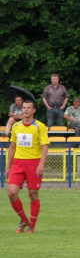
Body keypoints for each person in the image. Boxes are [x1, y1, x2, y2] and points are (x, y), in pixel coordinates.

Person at [7, 100, 49, 234]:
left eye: (28, 108)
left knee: (33, 194)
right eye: (24, 108)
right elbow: (12, 147)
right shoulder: (16, 126)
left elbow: (45, 146)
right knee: (12, 192)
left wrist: (41, 164)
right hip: (18, 163)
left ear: (34, 110)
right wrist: (8, 167)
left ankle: (32, 225)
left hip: (33, 163)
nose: (25, 110)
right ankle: (24, 220)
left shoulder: (39, 126)